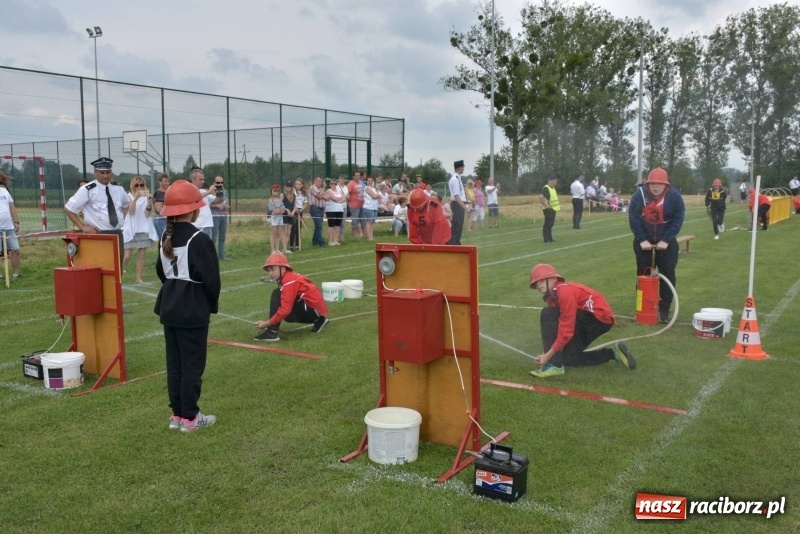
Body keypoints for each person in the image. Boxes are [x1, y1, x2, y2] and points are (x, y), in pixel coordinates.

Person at [154, 179, 220, 432]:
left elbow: (161, 271)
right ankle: (191, 417)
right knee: (192, 365)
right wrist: (211, 305)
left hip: (170, 305)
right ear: (193, 210)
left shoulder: (165, 236)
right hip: (191, 307)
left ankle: (178, 415)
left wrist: (174, 289)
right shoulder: (200, 239)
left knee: (176, 364)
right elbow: (211, 279)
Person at [528, 263, 636, 378]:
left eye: (541, 280)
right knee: (569, 358)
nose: (538, 284)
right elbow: (555, 329)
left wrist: (549, 355)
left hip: (598, 318)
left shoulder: (564, 292)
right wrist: (546, 353)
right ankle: (613, 353)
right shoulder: (552, 299)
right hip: (590, 319)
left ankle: (554, 366)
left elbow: (566, 329)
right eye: (536, 283)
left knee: (547, 313)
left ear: (554, 278)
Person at [628, 167, 685, 324]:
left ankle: (663, 310)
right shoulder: (639, 195)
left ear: (665, 185)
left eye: (659, 184)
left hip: (666, 241)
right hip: (643, 240)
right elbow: (633, 217)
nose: (655, 187)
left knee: (667, 274)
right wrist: (641, 239)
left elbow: (678, 218)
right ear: (648, 183)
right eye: (652, 183)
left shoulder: (674, 196)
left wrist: (666, 239)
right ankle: (642, 309)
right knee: (643, 275)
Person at [64, 157, 131, 262]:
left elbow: (126, 204)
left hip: (117, 233)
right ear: (95, 173)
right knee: (100, 265)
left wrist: (122, 219)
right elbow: (69, 209)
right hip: (98, 234)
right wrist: (83, 227)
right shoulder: (87, 190)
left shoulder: (118, 188)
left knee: (117, 267)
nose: (105, 176)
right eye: (102, 173)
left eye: (108, 172)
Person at [254, 252, 329, 341]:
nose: (270, 273)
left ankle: (271, 333)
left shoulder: (289, 282)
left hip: (313, 311)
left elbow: (285, 310)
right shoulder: (291, 277)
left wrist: (267, 324)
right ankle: (319, 321)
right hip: (317, 311)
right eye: (269, 270)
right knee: (281, 297)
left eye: (273, 269)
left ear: (282, 268)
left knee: (277, 294)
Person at [122, 176, 158, 284]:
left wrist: (149, 203)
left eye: (141, 185)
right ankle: (118, 275)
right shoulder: (128, 197)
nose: (139, 187)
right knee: (127, 255)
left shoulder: (147, 197)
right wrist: (136, 199)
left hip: (143, 228)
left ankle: (138, 277)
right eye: (136, 185)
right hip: (130, 229)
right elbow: (131, 212)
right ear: (132, 186)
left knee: (141, 255)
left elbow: (147, 214)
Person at [0, 171, 21, 279]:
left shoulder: (4, 190)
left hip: (8, 227)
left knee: (16, 250)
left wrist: (16, 222)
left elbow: (11, 207)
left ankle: (16, 274)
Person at [446, 160, 471, 245]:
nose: (463, 169)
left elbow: (460, 195)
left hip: (459, 204)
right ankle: (453, 243)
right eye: (463, 167)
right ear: (459, 168)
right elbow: (456, 196)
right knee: (456, 226)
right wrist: (465, 207)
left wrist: (466, 204)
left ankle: (456, 242)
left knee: (459, 226)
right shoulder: (455, 179)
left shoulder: (458, 178)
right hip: (457, 205)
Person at [189, 166, 216, 238]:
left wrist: (219, 190)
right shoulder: (188, 190)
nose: (203, 182)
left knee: (207, 248)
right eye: (200, 179)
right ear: (193, 179)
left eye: (203, 179)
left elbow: (216, 200)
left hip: (207, 225)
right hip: (198, 226)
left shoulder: (203, 191)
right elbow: (196, 197)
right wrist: (209, 191)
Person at [324, 176, 347, 246]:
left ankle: (335, 240)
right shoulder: (328, 191)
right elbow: (333, 198)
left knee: (337, 226)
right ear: (330, 184)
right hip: (331, 210)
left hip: (340, 210)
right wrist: (339, 199)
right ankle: (330, 241)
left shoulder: (339, 191)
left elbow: (344, 198)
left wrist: (338, 199)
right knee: (331, 226)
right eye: (332, 183)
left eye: (335, 184)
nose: (333, 185)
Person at [210, 175, 228, 259]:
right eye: (218, 182)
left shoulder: (225, 191)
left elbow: (225, 202)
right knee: (214, 237)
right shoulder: (211, 192)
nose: (220, 184)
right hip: (214, 216)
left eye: (221, 182)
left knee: (222, 237)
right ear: (214, 183)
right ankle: (213, 256)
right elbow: (208, 204)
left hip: (223, 216)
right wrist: (216, 205)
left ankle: (221, 256)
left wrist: (226, 206)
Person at [539, 176, 559, 243]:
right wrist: (545, 205)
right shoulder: (546, 188)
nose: (556, 182)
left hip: (553, 209)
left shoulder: (552, 188)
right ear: (551, 181)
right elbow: (541, 197)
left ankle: (550, 238)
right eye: (555, 181)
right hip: (548, 210)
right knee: (547, 224)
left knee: (550, 224)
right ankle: (546, 239)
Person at [308, 176, 326, 247]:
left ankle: (315, 241)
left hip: (321, 209)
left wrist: (322, 193)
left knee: (318, 226)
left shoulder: (321, 189)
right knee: (319, 226)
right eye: (319, 181)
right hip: (315, 209)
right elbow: (319, 196)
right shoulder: (312, 188)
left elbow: (326, 197)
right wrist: (323, 190)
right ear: (315, 181)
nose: (320, 183)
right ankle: (320, 242)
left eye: (321, 181)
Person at [267, 184, 286, 254]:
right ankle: (272, 250)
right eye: (274, 191)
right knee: (273, 233)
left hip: (280, 218)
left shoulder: (279, 200)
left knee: (279, 233)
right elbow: (273, 210)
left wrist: (280, 210)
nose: (275, 192)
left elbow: (283, 209)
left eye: (277, 191)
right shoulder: (270, 200)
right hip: (274, 218)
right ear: (271, 192)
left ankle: (277, 249)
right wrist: (279, 210)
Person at [289, 178, 307, 250]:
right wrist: (295, 209)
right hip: (294, 210)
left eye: (299, 184)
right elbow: (292, 201)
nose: (298, 185)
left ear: (302, 185)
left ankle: (297, 245)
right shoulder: (292, 192)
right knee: (292, 228)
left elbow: (305, 204)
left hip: (300, 211)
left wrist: (301, 210)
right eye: (296, 184)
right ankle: (291, 245)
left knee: (298, 228)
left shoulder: (304, 193)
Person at [152, 173, 171, 239]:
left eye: (168, 181)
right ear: (160, 182)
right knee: (164, 240)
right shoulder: (158, 193)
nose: (167, 183)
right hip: (161, 219)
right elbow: (158, 208)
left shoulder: (170, 192)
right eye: (165, 181)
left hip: (169, 219)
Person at [347, 171, 365, 239]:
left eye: (359, 175)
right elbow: (347, 193)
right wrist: (349, 202)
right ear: (353, 176)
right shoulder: (351, 184)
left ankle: (363, 235)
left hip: (361, 205)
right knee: (355, 221)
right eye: (356, 176)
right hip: (354, 206)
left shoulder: (361, 183)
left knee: (363, 221)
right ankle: (354, 236)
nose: (358, 177)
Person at [362, 175, 380, 240]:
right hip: (368, 207)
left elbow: (378, 196)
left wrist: (377, 196)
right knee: (369, 222)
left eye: (371, 181)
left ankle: (371, 236)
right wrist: (377, 196)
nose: (370, 182)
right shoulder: (366, 188)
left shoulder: (374, 188)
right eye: (369, 181)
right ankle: (369, 237)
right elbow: (374, 196)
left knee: (372, 222)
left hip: (374, 207)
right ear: (366, 181)